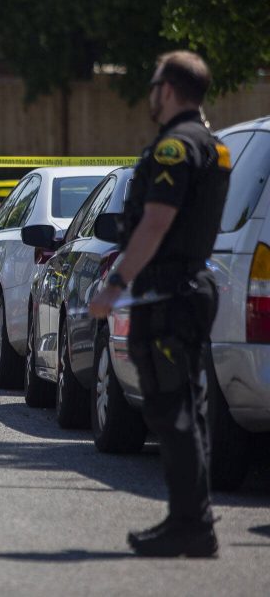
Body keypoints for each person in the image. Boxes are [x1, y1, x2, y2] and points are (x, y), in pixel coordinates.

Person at [89, 51, 230, 558]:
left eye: (152, 85)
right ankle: (192, 519)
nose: (150, 94)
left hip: (167, 296)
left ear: (167, 88)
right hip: (188, 289)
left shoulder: (175, 148)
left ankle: (191, 525)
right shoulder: (214, 146)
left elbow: (156, 222)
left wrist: (116, 284)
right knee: (186, 412)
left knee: (173, 414)